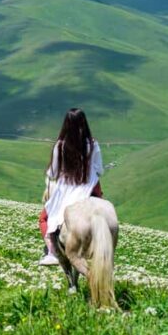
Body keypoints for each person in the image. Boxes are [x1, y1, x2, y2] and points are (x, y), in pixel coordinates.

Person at [39, 108, 104, 266]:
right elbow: (99, 169)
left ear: (66, 124)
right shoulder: (93, 144)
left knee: (44, 218)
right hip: (90, 186)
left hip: (67, 188)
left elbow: (53, 172)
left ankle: (53, 251)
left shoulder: (60, 146)